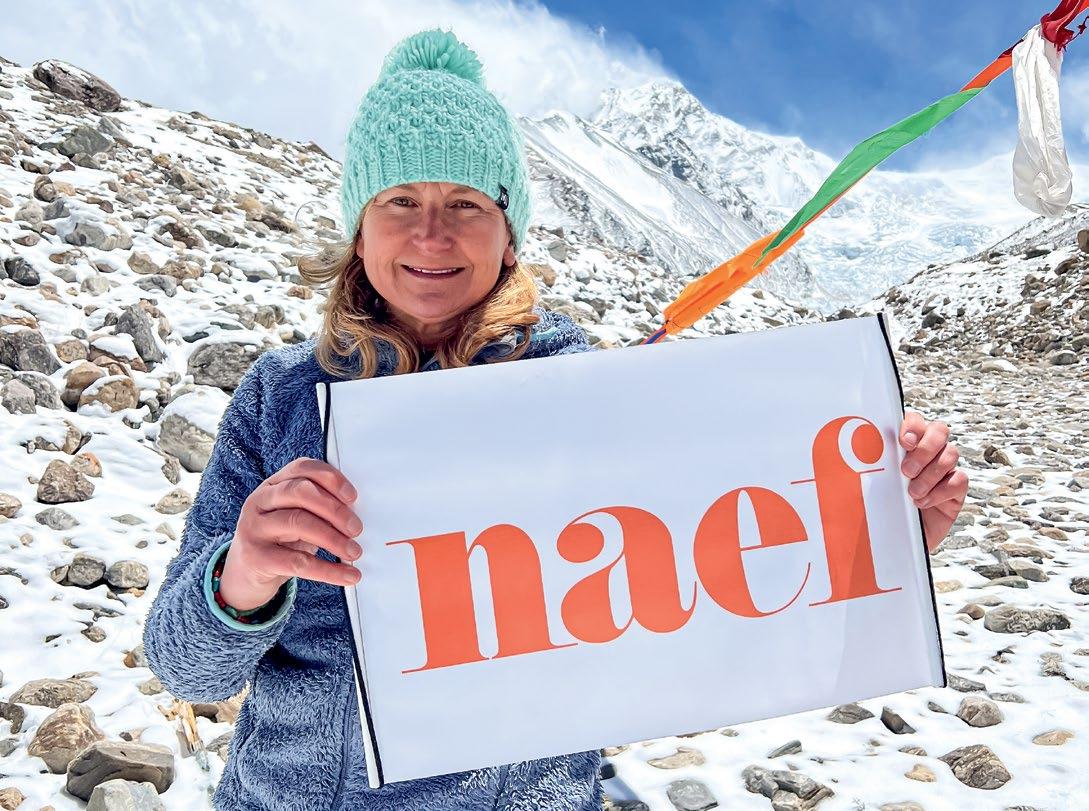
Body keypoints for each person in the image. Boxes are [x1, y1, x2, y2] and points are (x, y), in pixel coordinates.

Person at [142, 28, 968, 811]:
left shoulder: (577, 392)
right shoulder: (281, 396)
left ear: (509, 236)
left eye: (466, 201)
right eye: (400, 199)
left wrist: (878, 534)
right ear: (360, 230)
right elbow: (187, 669)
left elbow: (705, 585)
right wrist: (241, 576)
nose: (431, 232)